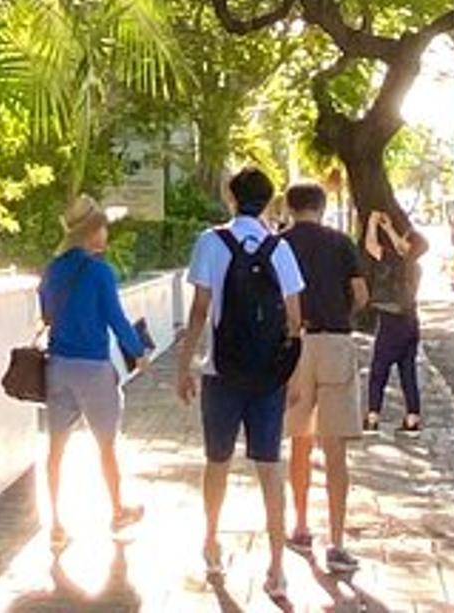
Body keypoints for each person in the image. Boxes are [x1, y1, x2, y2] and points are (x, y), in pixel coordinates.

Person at [175, 167, 305, 598]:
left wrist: (184, 364)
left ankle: (211, 543)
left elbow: (199, 310)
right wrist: (290, 372)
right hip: (268, 377)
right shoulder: (279, 248)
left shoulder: (211, 242)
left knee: (217, 463)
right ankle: (277, 568)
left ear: (231, 198)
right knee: (270, 468)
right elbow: (295, 318)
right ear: (269, 202)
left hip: (221, 373)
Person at [40, 195, 149, 548]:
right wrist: (138, 351)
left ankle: (55, 523)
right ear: (91, 232)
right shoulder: (101, 271)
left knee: (56, 448)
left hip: (57, 366)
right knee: (106, 446)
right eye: (101, 227)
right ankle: (117, 511)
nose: (105, 233)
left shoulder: (53, 270)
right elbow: (115, 318)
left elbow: (46, 314)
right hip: (93, 368)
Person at [279, 181, 369, 577]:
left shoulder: (278, 245)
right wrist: (342, 310)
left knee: (300, 439)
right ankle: (337, 541)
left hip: (296, 344)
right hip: (335, 341)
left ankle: (299, 525)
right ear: (322, 205)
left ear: (288, 206)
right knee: (335, 448)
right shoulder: (341, 243)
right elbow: (361, 293)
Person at [362, 208, 427, 433]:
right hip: (411, 322)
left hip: (392, 321)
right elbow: (403, 247)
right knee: (408, 370)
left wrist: (372, 224)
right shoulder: (416, 267)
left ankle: (372, 415)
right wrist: (389, 228)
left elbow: (371, 246)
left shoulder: (393, 261)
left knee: (379, 369)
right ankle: (412, 417)